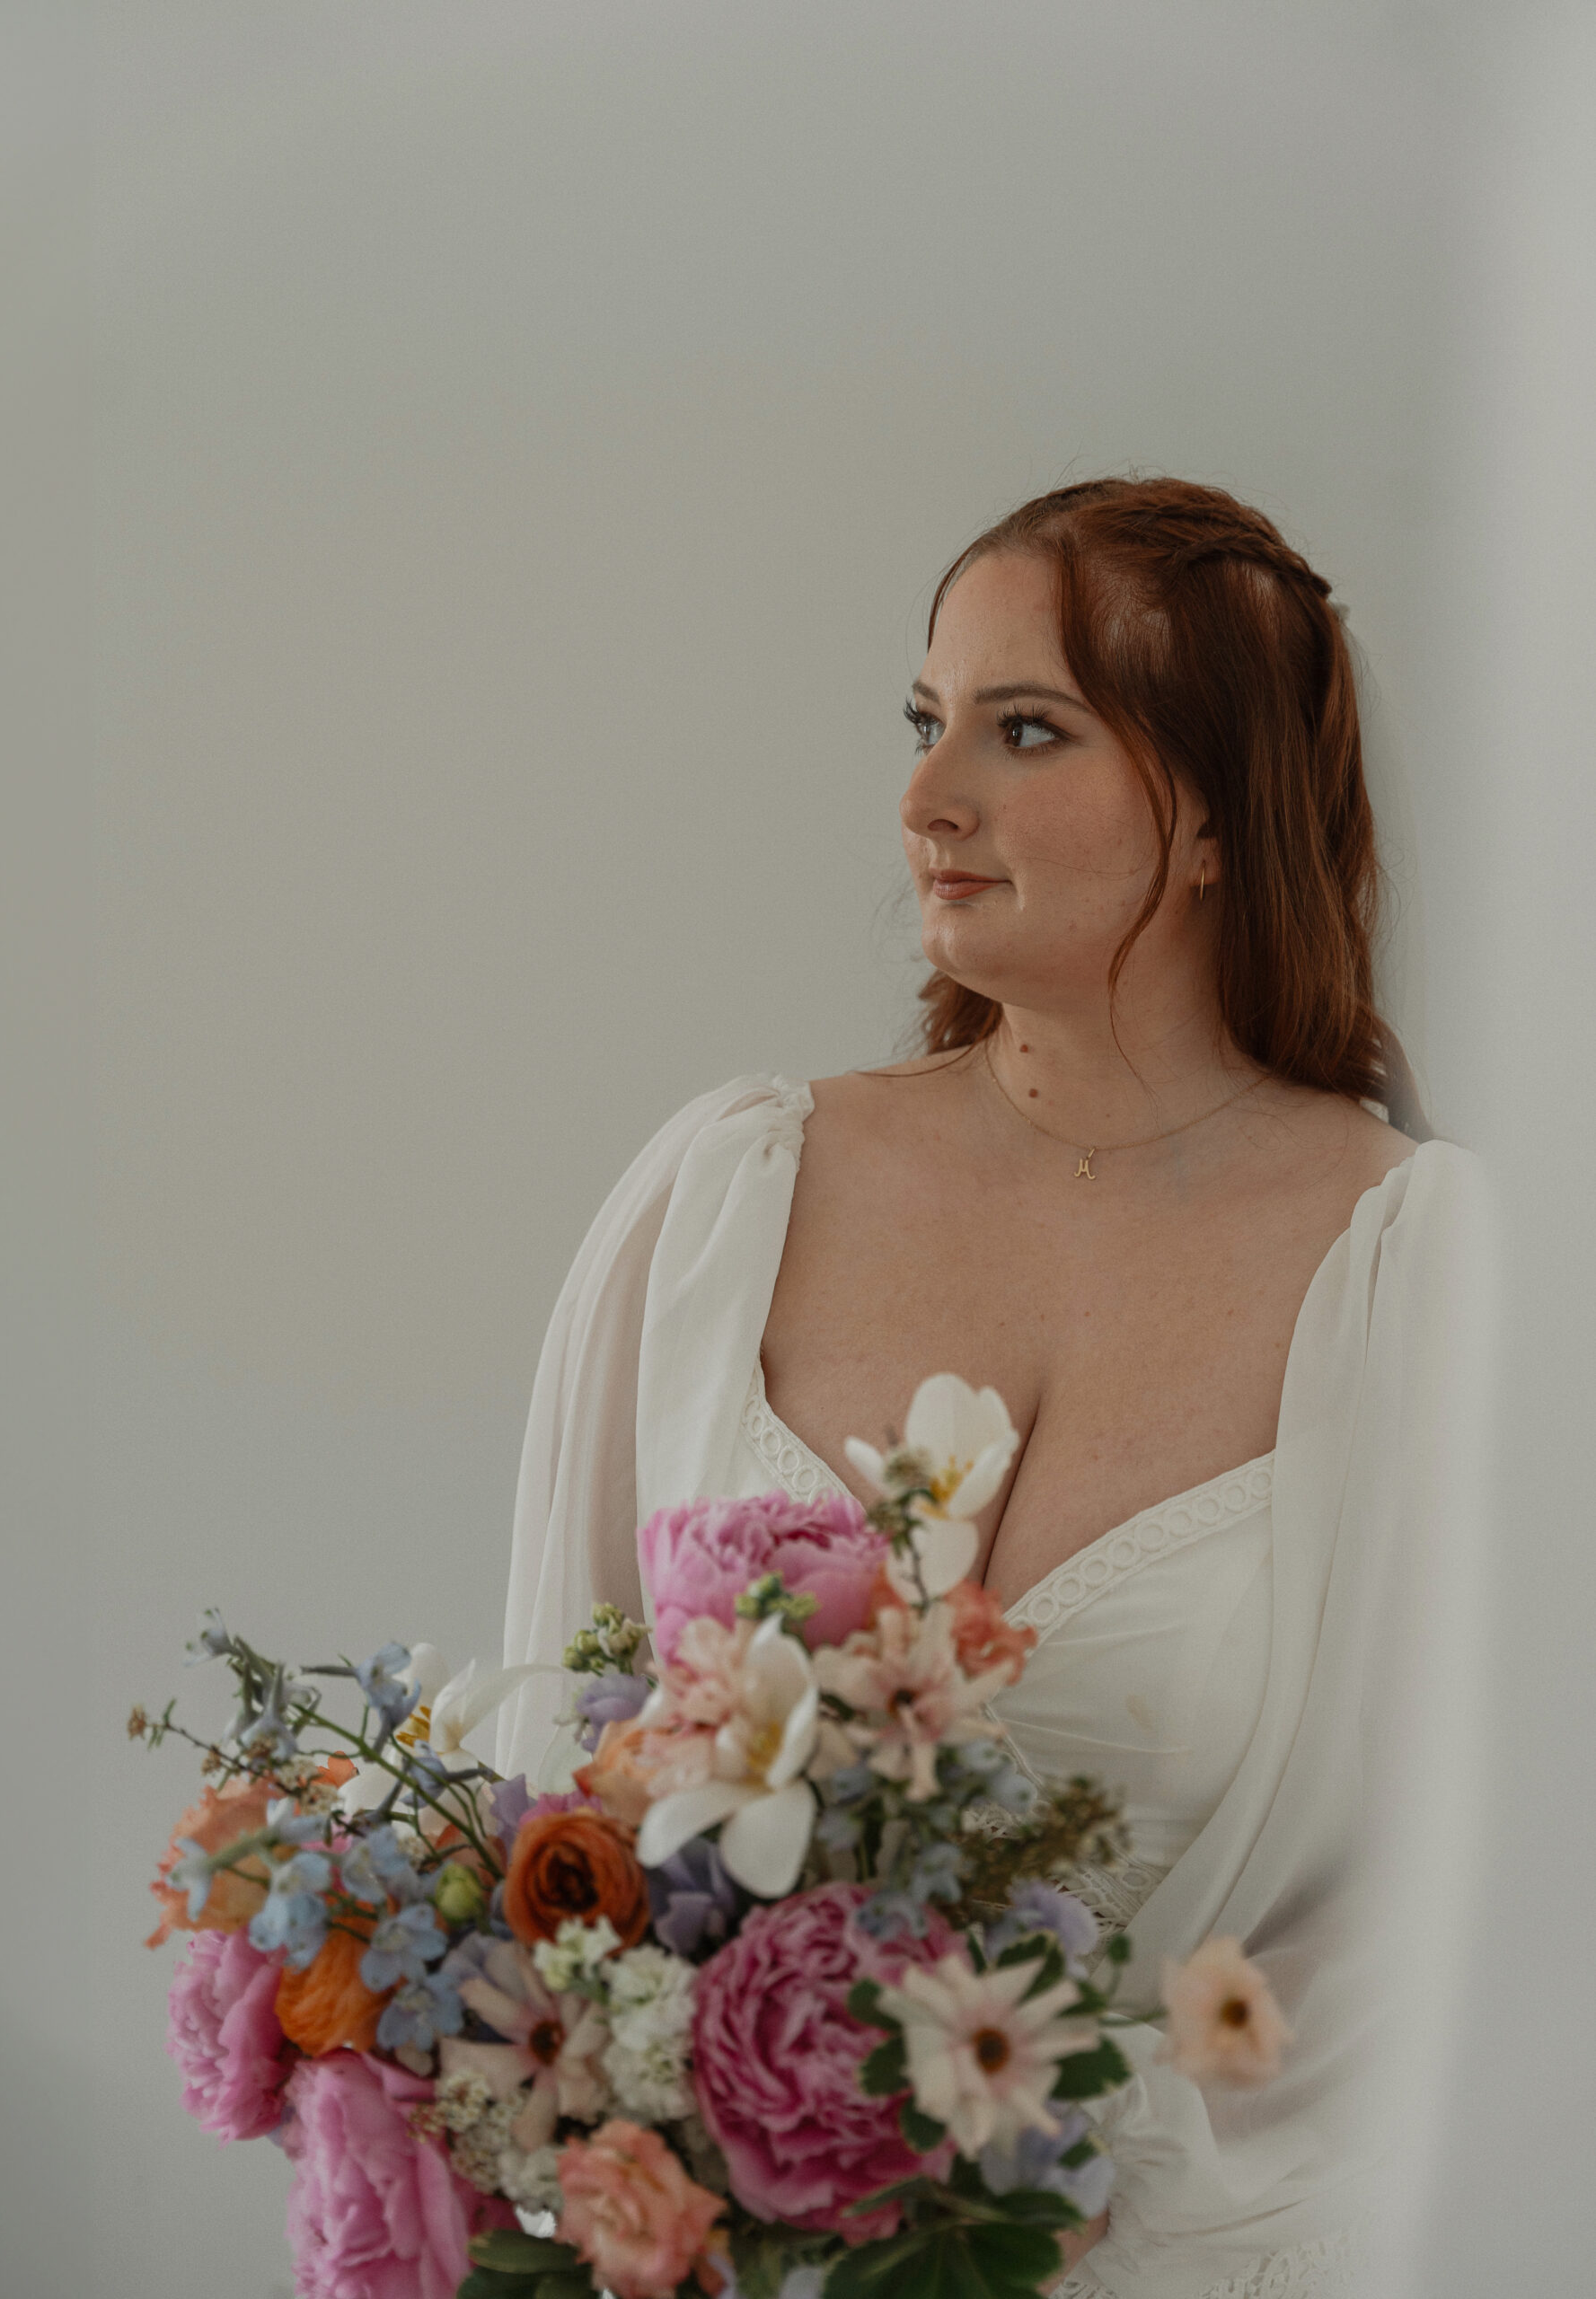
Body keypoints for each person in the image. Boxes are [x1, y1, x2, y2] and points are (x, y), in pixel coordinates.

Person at [498, 477, 1483, 2297]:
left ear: (1211, 810)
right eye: (922, 718)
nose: (924, 797)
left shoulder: (1423, 1277)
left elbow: (1450, 1922)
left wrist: (1036, 2183)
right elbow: (549, 1800)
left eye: (1023, 729)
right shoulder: (723, 1192)